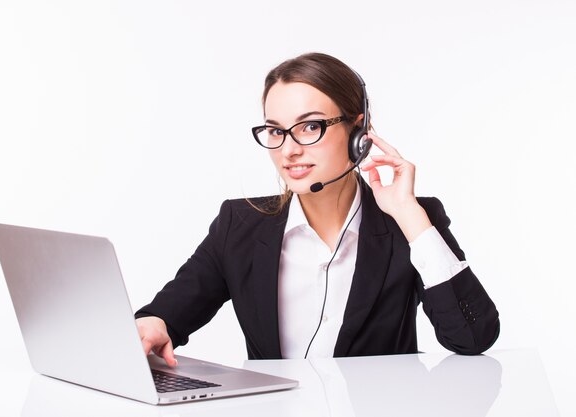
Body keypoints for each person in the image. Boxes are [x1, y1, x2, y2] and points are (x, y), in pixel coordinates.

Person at [135, 52, 500, 366]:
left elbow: (473, 337)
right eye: (276, 131)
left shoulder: (409, 222)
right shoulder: (239, 225)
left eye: (310, 126)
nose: (289, 150)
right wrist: (154, 323)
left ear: (359, 132)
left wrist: (407, 213)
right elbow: (167, 313)